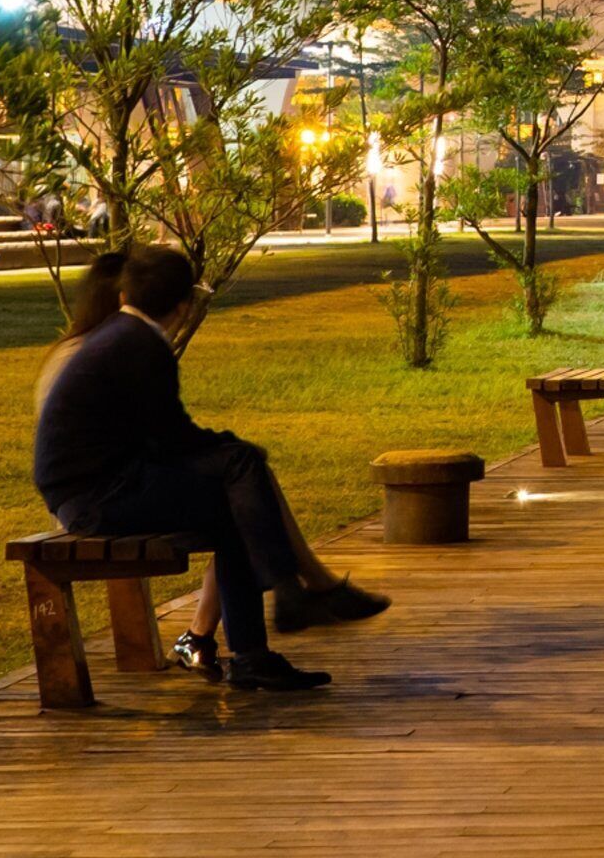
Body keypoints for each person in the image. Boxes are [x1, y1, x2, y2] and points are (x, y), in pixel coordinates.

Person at [31, 245, 384, 692]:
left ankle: (268, 630)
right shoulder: (139, 345)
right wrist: (230, 450)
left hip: (101, 484)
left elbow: (160, 436)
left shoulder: (120, 336)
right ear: (184, 306)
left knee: (234, 490)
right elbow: (171, 436)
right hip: (97, 498)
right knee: (238, 474)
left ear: (126, 295)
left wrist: (227, 451)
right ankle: (281, 604)